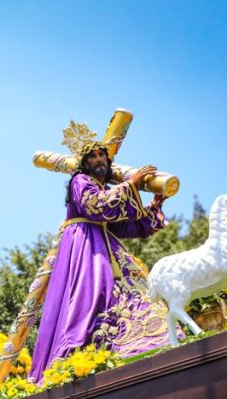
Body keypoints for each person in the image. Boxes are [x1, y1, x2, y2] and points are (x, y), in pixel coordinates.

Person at [29, 124, 171, 383]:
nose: (99, 160)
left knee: (135, 291)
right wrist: (132, 183)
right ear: (84, 163)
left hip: (107, 244)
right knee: (91, 295)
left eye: (101, 155)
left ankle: (142, 342)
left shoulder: (107, 189)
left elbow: (124, 225)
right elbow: (95, 206)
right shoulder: (79, 181)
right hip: (83, 245)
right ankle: (81, 355)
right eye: (92, 157)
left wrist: (153, 206)